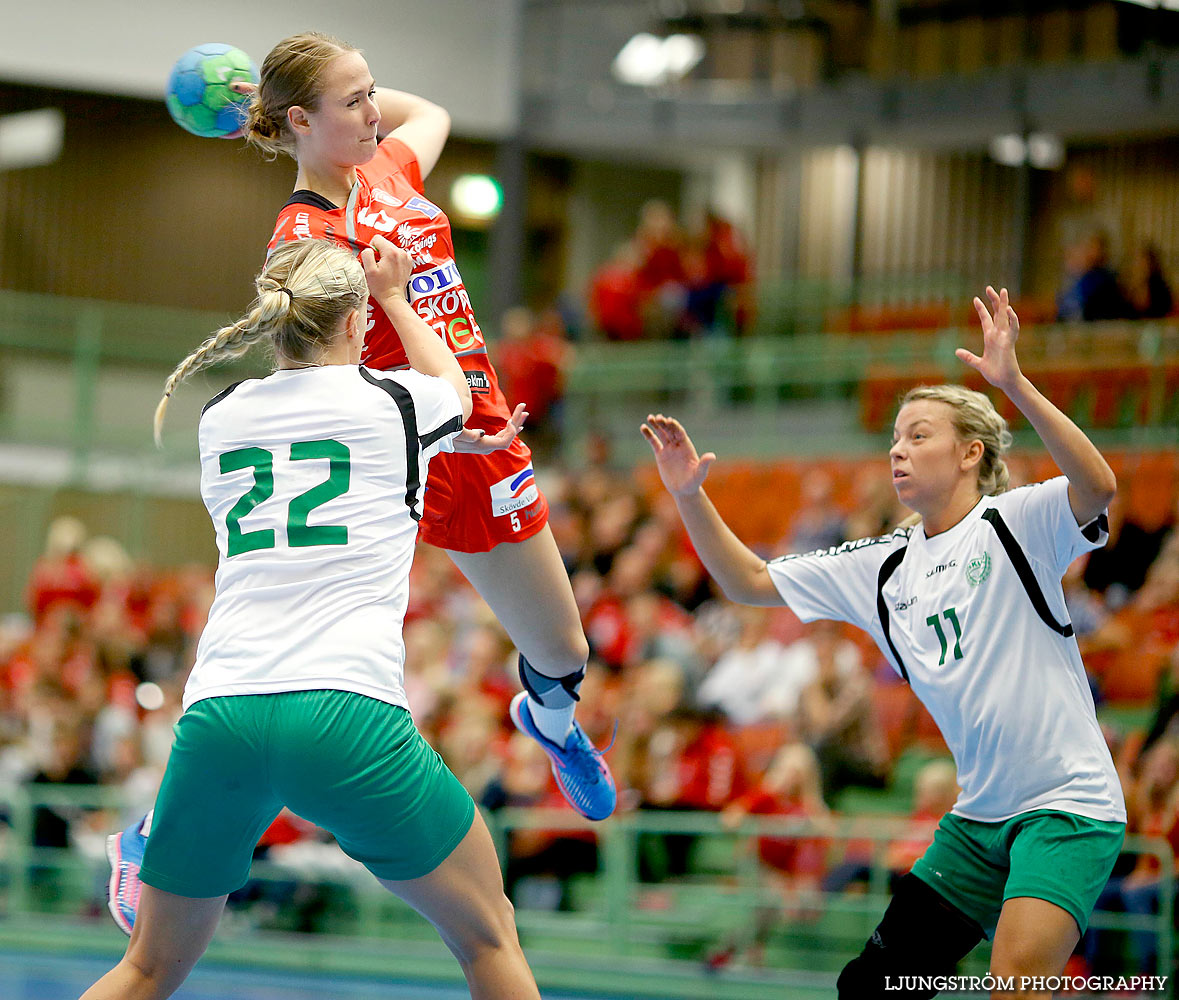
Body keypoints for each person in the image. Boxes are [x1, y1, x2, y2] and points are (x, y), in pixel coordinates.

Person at [642, 286, 1126, 1000]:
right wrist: (688, 493)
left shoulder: (1014, 521)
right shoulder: (880, 564)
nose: (898, 450)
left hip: (1067, 806)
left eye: (918, 435)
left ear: (969, 453)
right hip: (976, 818)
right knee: (870, 989)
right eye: (894, 438)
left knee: (1015, 984)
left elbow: (1097, 485)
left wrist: (1012, 383)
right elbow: (745, 579)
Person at [89, 236, 542, 1000]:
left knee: (147, 969)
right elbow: (455, 392)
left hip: (221, 712)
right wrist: (399, 294)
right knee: (487, 934)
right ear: (356, 318)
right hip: (344, 711)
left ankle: (153, 839)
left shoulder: (221, 415)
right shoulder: (399, 401)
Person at [242, 32, 613, 822]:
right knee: (304, 672)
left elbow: (430, 112)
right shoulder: (301, 243)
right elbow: (315, 385)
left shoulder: (386, 166)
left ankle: (545, 722)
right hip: (407, 450)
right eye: (354, 101)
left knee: (563, 651)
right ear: (302, 122)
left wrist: (321, 99)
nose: (376, 112)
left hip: (482, 430)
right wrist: (425, 431)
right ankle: (153, 834)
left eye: (373, 90)